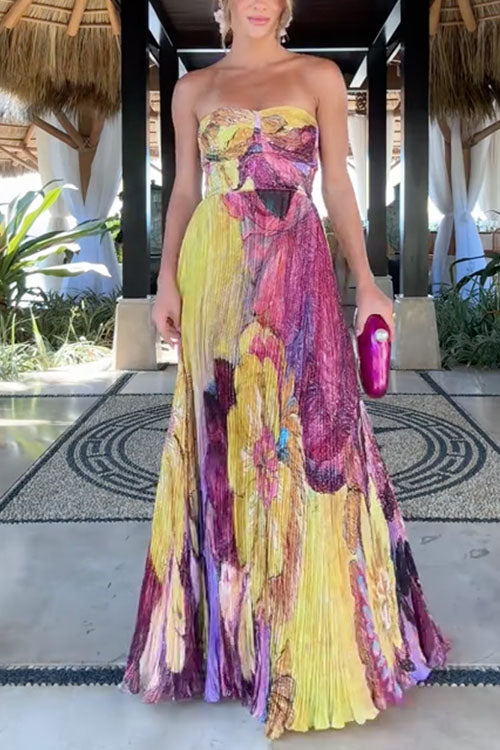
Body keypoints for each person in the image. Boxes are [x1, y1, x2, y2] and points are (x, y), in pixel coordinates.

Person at [118, 0, 451, 740]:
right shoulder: (193, 90)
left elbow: (337, 188)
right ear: (224, 4)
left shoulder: (320, 77)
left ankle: (317, 643)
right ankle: (235, 644)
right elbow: (184, 190)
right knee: (223, 442)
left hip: (298, 268)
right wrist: (165, 278)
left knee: (316, 438)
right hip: (216, 271)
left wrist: (369, 281)